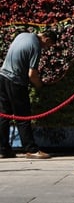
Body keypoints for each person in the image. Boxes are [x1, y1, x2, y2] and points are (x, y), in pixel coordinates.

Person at [0, 29, 58, 159]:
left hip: (2, 77)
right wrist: (40, 86)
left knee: (4, 115)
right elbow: (32, 75)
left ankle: (3, 149)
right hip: (16, 81)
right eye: (48, 45)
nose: (46, 48)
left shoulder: (22, 35)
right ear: (47, 39)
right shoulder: (36, 46)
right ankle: (31, 149)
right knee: (23, 117)